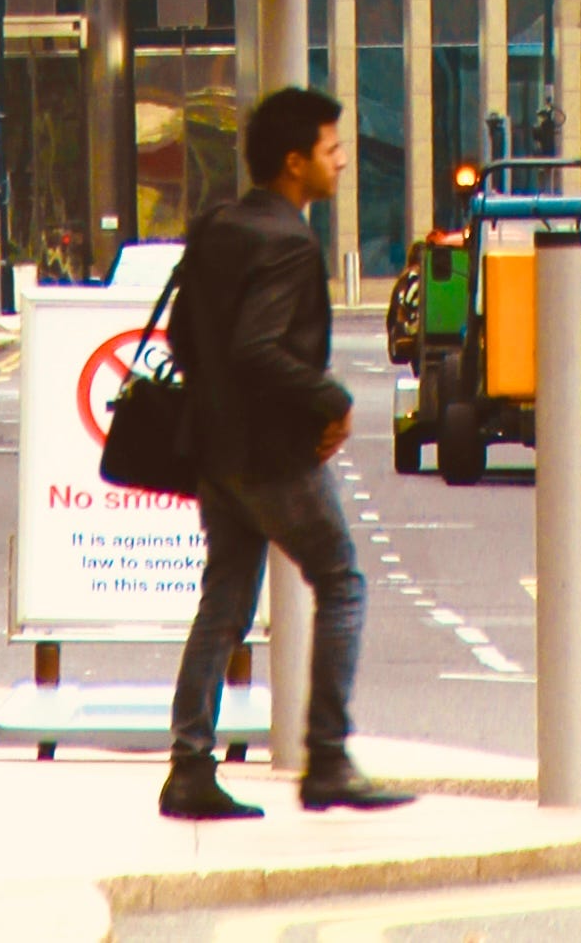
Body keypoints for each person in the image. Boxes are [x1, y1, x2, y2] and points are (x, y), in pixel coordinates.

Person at [164, 85, 410, 823]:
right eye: (332, 149)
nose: (342, 160)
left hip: (216, 453)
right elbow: (257, 348)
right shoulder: (290, 242)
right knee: (341, 582)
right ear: (295, 161)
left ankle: (189, 767)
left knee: (225, 602)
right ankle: (327, 757)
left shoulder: (217, 226)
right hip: (273, 454)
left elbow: (182, 338)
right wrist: (330, 397)